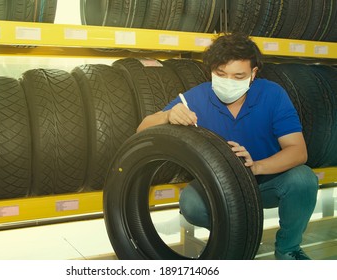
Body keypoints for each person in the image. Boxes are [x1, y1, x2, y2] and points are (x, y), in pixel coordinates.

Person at [136, 33, 319, 260]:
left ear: (253, 74)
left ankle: (288, 249)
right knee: (191, 202)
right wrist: (167, 115)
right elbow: (142, 130)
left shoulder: (272, 94)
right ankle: (238, 239)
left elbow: (298, 151)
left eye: (238, 76)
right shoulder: (196, 98)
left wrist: (256, 166)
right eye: (221, 74)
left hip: (266, 182)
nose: (228, 82)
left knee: (303, 179)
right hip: (221, 188)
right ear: (212, 70)